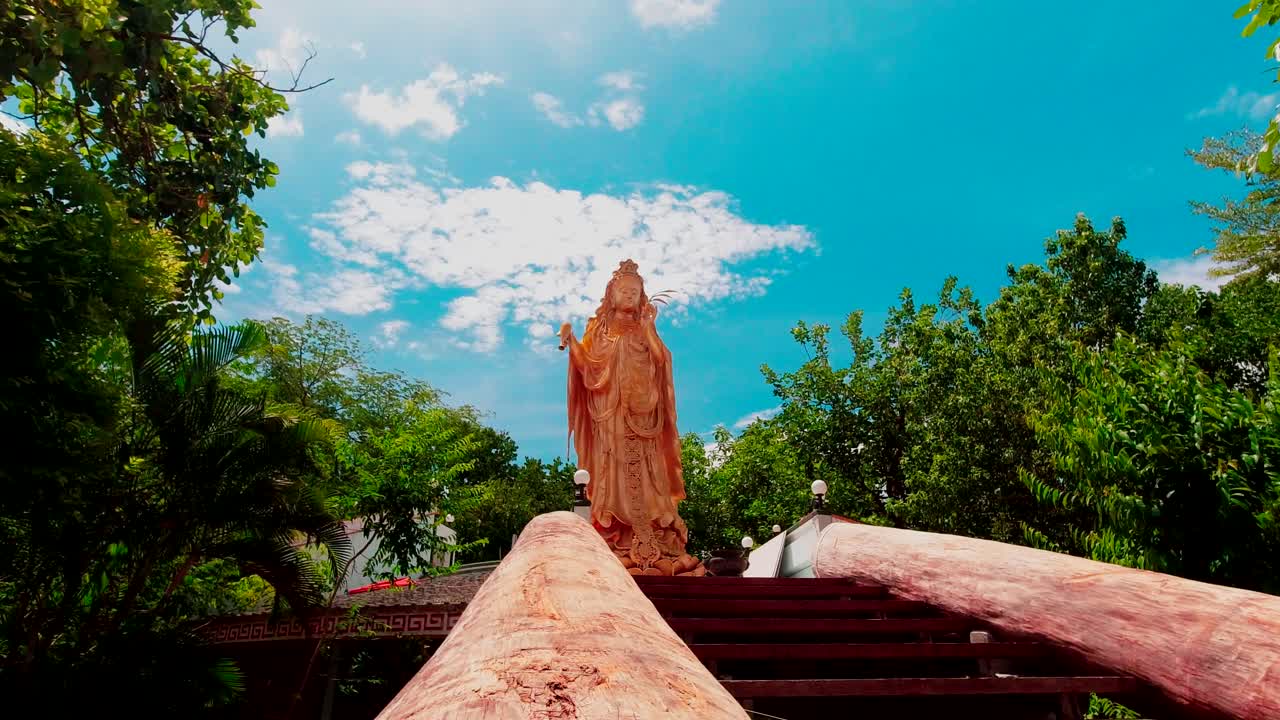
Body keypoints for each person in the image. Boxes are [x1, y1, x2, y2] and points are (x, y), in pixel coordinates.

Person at [560, 259, 704, 576]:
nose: (629, 296)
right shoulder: (598, 331)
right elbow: (589, 367)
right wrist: (571, 342)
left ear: (642, 297)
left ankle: (653, 533)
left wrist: (650, 329)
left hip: (644, 415)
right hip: (609, 414)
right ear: (611, 295)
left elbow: (662, 360)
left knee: (651, 470)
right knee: (612, 470)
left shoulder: (644, 329)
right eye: (623, 291)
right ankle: (616, 533)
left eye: (635, 291)